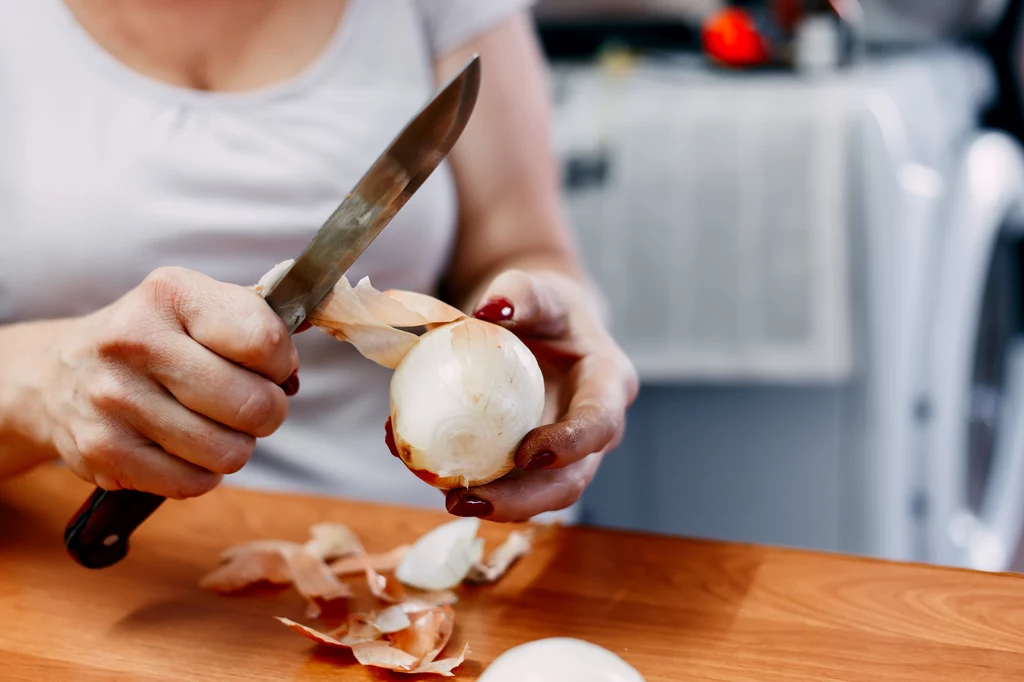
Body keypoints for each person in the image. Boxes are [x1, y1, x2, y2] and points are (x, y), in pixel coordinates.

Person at [0, 0, 638, 524]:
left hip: (441, 533)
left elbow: (523, 245)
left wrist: (556, 318)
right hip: (112, 562)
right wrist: (42, 384)